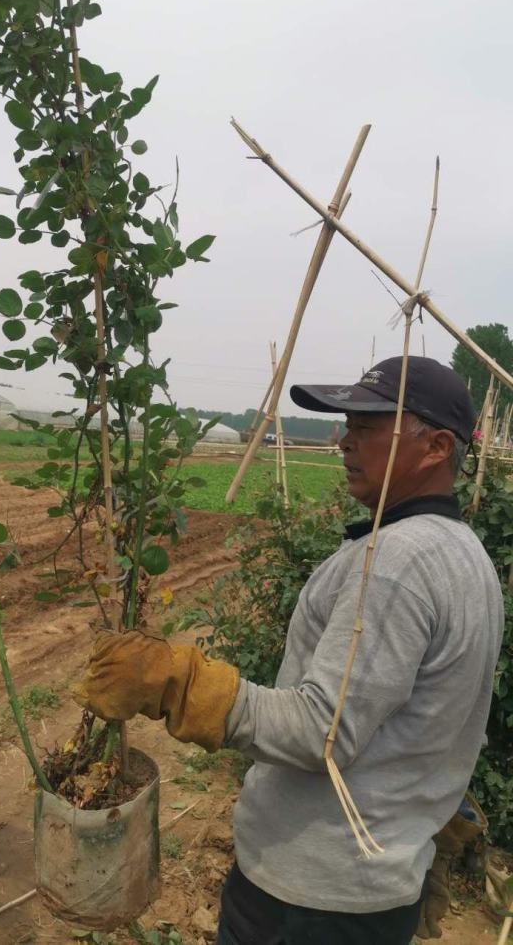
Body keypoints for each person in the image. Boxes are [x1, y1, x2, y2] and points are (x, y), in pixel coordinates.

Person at [74, 357, 503, 945]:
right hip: (367, 884)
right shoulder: (462, 553)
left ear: (435, 446)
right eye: (347, 424)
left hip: (313, 899)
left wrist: (179, 683)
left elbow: (319, 732)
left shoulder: (399, 564)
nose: (344, 440)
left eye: (367, 427)